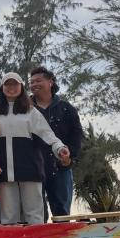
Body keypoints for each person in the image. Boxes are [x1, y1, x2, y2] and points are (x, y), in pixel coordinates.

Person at [0, 72, 69, 225]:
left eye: (15, 84)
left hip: (30, 170)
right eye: (7, 84)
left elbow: (47, 134)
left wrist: (60, 148)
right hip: (4, 172)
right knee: (9, 216)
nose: (11, 87)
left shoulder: (31, 111)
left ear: (21, 87)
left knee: (34, 215)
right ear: (2, 88)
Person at [29, 65, 83, 218]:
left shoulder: (66, 108)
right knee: (37, 215)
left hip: (60, 167)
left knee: (62, 214)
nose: (34, 84)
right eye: (31, 82)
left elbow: (76, 135)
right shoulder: (25, 108)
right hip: (33, 169)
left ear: (50, 82)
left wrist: (69, 157)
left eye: (38, 80)